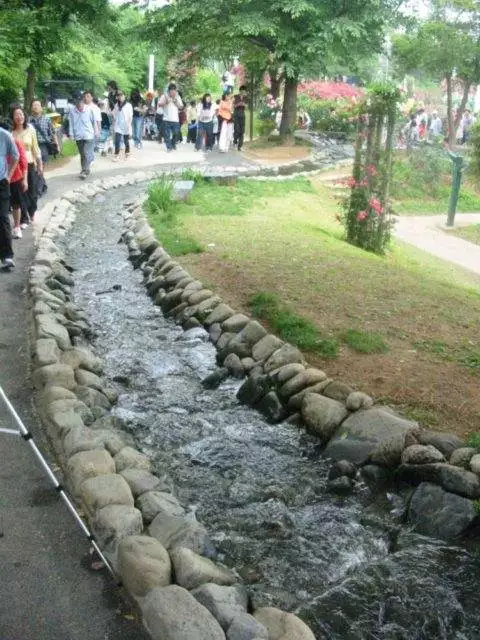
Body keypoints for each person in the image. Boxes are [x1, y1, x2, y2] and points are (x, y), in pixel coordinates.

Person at [11, 105, 42, 223]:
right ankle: (24, 218)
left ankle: (32, 211)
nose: (19, 117)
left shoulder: (31, 130)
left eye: (21, 114)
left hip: (30, 164)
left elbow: (36, 148)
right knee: (21, 192)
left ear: (24, 116)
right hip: (18, 167)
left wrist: (39, 164)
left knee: (32, 192)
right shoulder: (11, 133)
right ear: (13, 117)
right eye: (16, 115)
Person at [0, 126, 19, 270]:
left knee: (2, 217)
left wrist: (9, 176)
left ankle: (7, 256)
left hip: (2, 182)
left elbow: (15, 156)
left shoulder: (4, 135)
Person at [29, 99, 57, 196]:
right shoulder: (28, 120)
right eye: (34, 105)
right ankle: (43, 185)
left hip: (43, 146)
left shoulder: (47, 119)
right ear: (31, 108)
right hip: (32, 147)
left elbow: (52, 132)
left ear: (41, 108)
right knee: (35, 168)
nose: (36, 106)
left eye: (38, 105)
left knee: (40, 167)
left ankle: (38, 191)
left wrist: (56, 144)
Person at [68, 91, 98, 179]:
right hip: (78, 135)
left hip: (89, 135)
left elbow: (94, 121)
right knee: (82, 154)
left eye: (79, 101)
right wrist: (71, 134)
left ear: (82, 101)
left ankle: (84, 171)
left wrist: (96, 131)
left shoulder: (89, 109)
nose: (78, 104)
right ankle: (86, 169)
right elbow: (71, 123)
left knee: (85, 152)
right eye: (76, 102)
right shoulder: (72, 111)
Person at [8, 134, 28, 240]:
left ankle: (17, 227)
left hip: (15, 177)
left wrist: (25, 179)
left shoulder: (14, 141)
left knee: (16, 203)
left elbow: (23, 161)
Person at [157, 83, 183, 152]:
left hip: (175, 119)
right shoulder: (164, 96)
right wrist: (166, 102)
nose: (173, 92)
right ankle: (169, 147)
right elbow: (159, 104)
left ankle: (173, 144)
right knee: (166, 135)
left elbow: (181, 107)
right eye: (172, 91)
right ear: (169, 91)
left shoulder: (178, 97)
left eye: (175, 91)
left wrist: (176, 102)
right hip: (166, 119)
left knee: (176, 133)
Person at [112, 91, 133, 161]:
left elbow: (130, 117)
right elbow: (114, 114)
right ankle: (116, 155)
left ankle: (127, 153)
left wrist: (129, 126)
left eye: (121, 95)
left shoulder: (128, 105)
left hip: (126, 125)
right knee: (117, 140)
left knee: (126, 141)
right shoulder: (116, 105)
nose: (120, 97)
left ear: (124, 96)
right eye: (119, 96)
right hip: (118, 125)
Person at [233, 86, 247, 151]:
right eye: (242, 91)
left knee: (242, 131)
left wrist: (244, 104)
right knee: (237, 130)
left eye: (244, 91)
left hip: (242, 115)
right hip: (236, 115)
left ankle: (240, 146)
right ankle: (235, 141)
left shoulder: (246, 98)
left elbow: (247, 106)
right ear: (240, 91)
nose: (244, 92)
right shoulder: (235, 97)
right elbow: (233, 105)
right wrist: (238, 104)